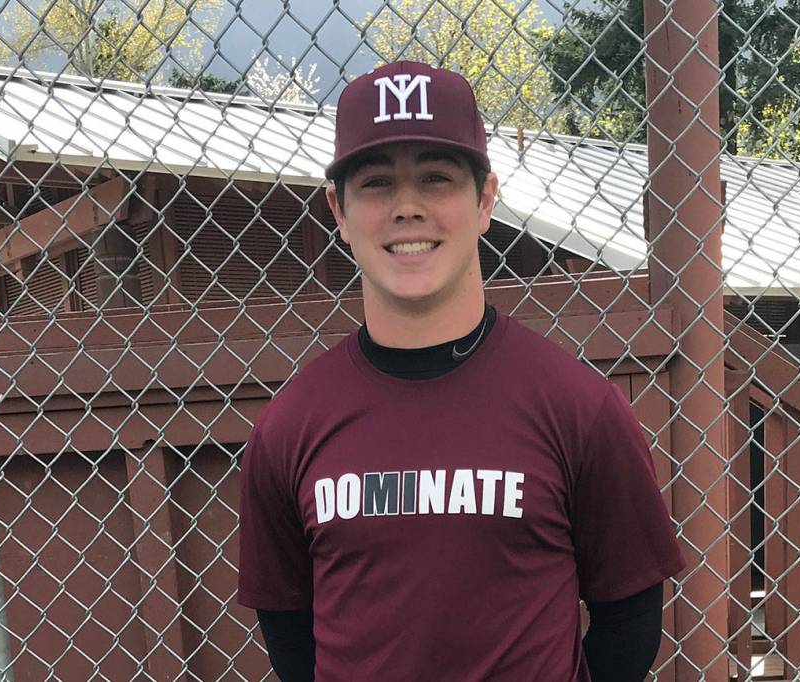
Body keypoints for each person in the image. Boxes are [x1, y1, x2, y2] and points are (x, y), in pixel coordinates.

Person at [237, 60, 686, 681]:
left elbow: (630, 622)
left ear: (485, 201)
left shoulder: (578, 406)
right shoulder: (288, 428)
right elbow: (290, 636)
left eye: (437, 178)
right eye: (375, 183)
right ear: (337, 211)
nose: (408, 208)